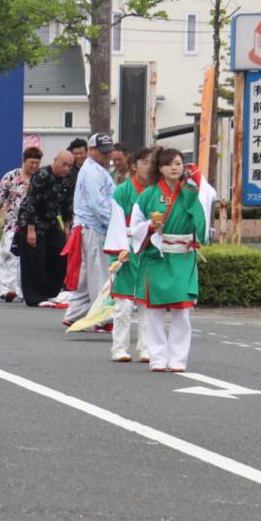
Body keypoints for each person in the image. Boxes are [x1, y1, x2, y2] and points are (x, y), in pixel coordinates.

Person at [129, 148, 206, 373]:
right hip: (157, 256)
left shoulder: (191, 192)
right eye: (169, 164)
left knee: (182, 311)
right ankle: (158, 358)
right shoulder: (148, 195)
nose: (175, 167)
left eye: (179, 163)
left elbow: (200, 223)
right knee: (155, 312)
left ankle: (178, 359)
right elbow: (135, 226)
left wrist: (193, 197)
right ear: (160, 168)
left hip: (182, 255)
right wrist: (151, 228)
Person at [104, 146, 153, 363]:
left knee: (147, 304)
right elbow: (114, 224)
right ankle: (119, 348)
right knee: (123, 304)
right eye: (145, 162)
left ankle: (146, 348)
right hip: (126, 247)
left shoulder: (157, 193)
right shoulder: (122, 191)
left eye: (153, 163)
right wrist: (118, 252)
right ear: (134, 166)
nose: (150, 167)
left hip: (149, 250)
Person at [62, 133, 116, 327]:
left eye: (109, 151)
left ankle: (75, 313)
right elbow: (97, 204)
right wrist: (115, 225)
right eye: (103, 152)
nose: (107, 155)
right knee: (100, 274)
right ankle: (102, 319)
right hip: (95, 227)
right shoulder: (93, 171)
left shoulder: (96, 169)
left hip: (89, 227)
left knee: (87, 275)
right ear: (92, 150)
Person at [0, 146, 42, 303]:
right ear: (24, 161)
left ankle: (23, 290)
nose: (34, 166)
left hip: (34, 227)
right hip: (12, 225)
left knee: (27, 260)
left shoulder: (41, 178)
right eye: (31, 162)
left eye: (37, 163)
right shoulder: (11, 177)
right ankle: (4, 290)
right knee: (8, 256)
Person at [17, 150, 74, 307]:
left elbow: (67, 204)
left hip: (50, 220)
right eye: (64, 164)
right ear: (55, 161)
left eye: (70, 166)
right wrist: (30, 229)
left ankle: (51, 293)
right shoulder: (42, 175)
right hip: (32, 220)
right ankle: (34, 296)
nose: (67, 168)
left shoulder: (67, 179)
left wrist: (67, 227)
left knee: (60, 253)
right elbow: (31, 202)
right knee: (35, 258)